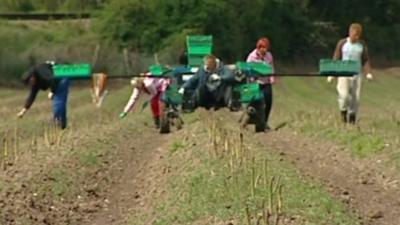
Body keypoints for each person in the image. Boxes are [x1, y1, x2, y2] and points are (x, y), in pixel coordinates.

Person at [327, 23, 373, 124]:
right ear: (350, 32)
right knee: (344, 96)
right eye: (354, 34)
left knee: (355, 98)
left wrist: (368, 72)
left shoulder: (362, 45)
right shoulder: (342, 43)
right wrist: (331, 73)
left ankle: (352, 119)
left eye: (358, 35)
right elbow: (336, 58)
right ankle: (343, 113)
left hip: (357, 74)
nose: (356, 37)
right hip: (344, 73)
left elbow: (365, 59)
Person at [17, 62, 70, 129]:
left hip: (61, 74)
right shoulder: (35, 82)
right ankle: (62, 124)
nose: (31, 83)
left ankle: (58, 122)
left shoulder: (40, 71)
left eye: (30, 81)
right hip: (58, 77)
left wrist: (52, 91)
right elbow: (32, 96)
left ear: (32, 76)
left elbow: (53, 79)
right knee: (59, 100)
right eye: (29, 83)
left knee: (58, 99)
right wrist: (23, 111)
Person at [246, 37, 275, 130]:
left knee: (268, 103)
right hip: (256, 82)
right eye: (262, 48)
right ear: (258, 48)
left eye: (266, 48)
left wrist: (272, 78)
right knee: (257, 104)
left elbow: (271, 68)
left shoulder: (269, 56)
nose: (264, 50)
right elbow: (248, 70)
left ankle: (264, 122)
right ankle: (257, 123)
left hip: (266, 82)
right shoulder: (251, 57)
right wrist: (252, 80)